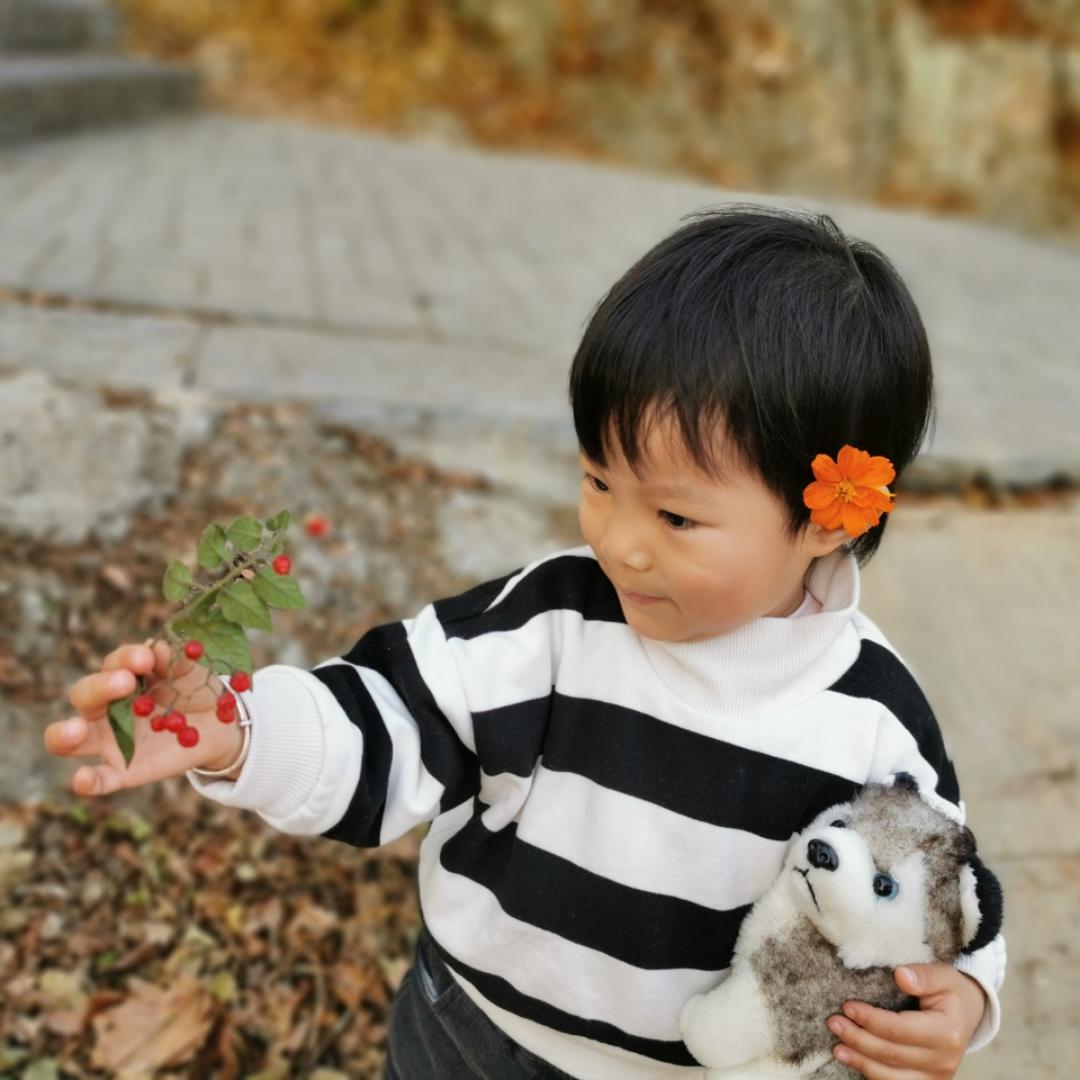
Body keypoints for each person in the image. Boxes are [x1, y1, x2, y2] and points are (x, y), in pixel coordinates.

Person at [51, 203, 1006, 1080]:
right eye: (599, 480)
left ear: (832, 517)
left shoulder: (875, 722)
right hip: (468, 1033)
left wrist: (963, 995)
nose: (618, 541)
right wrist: (236, 729)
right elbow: (384, 717)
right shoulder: (548, 624)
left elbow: (942, 897)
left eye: (676, 517)